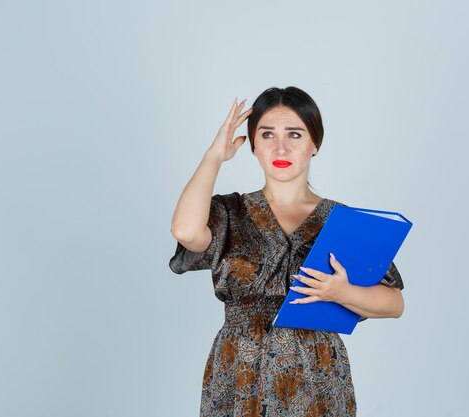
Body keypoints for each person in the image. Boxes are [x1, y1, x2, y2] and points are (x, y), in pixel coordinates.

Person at [169, 86, 404, 416]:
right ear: (253, 144)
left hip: (317, 378)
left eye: (294, 134)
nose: (281, 146)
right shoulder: (229, 213)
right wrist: (213, 156)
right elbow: (186, 231)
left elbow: (394, 303)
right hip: (238, 375)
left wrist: (343, 292)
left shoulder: (343, 222)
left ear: (315, 144)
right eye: (267, 135)